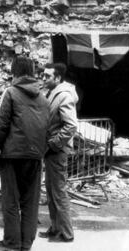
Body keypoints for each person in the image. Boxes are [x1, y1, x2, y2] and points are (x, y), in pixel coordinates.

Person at [0, 56, 50, 251]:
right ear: (32, 72)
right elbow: (47, 128)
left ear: (14, 72)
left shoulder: (11, 93)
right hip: (35, 156)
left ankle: (12, 243)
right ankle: (26, 243)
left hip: (12, 155)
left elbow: (2, 124)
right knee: (30, 202)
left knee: (10, 200)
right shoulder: (43, 98)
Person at [38, 63, 78, 243]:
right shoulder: (53, 93)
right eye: (43, 75)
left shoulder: (64, 96)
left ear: (58, 78)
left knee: (59, 191)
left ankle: (66, 233)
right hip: (51, 150)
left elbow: (71, 125)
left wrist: (54, 144)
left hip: (57, 150)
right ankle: (55, 228)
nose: (44, 78)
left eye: (47, 76)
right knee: (51, 190)